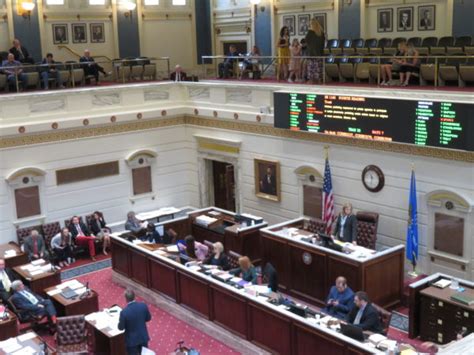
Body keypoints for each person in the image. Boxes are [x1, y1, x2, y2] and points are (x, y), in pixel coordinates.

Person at [118, 289, 151, 355]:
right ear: (134, 296)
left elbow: (121, 328)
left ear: (126, 299)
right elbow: (148, 318)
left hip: (131, 341)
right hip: (143, 337)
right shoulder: (143, 306)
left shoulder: (124, 312)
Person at [305, 18, 325, 84]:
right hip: (319, 54)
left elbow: (306, 41)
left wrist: (309, 31)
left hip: (311, 54)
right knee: (318, 72)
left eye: (310, 24)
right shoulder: (321, 33)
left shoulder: (310, 33)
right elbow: (322, 45)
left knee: (311, 73)